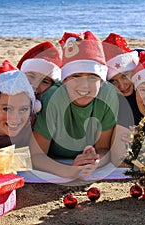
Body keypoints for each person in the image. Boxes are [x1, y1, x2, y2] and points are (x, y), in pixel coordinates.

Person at [30, 31, 119, 177]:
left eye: (92, 77)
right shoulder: (52, 98)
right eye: (76, 76)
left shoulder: (108, 95)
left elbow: (103, 147)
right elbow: (36, 156)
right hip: (54, 159)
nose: (84, 86)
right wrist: (70, 170)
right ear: (64, 80)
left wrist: (94, 162)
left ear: (102, 82)